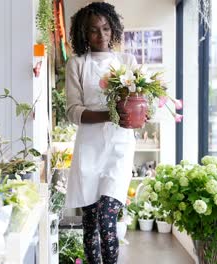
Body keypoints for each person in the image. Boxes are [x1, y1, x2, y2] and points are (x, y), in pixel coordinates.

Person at [64, 2, 137, 264]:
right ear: (83, 33)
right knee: (91, 223)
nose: (102, 35)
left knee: (107, 217)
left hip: (119, 147)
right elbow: (73, 112)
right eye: (94, 30)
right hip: (89, 149)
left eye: (106, 28)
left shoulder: (126, 61)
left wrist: (140, 112)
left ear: (113, 28)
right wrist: (111, 115)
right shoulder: (77, 63)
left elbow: (139, 101)